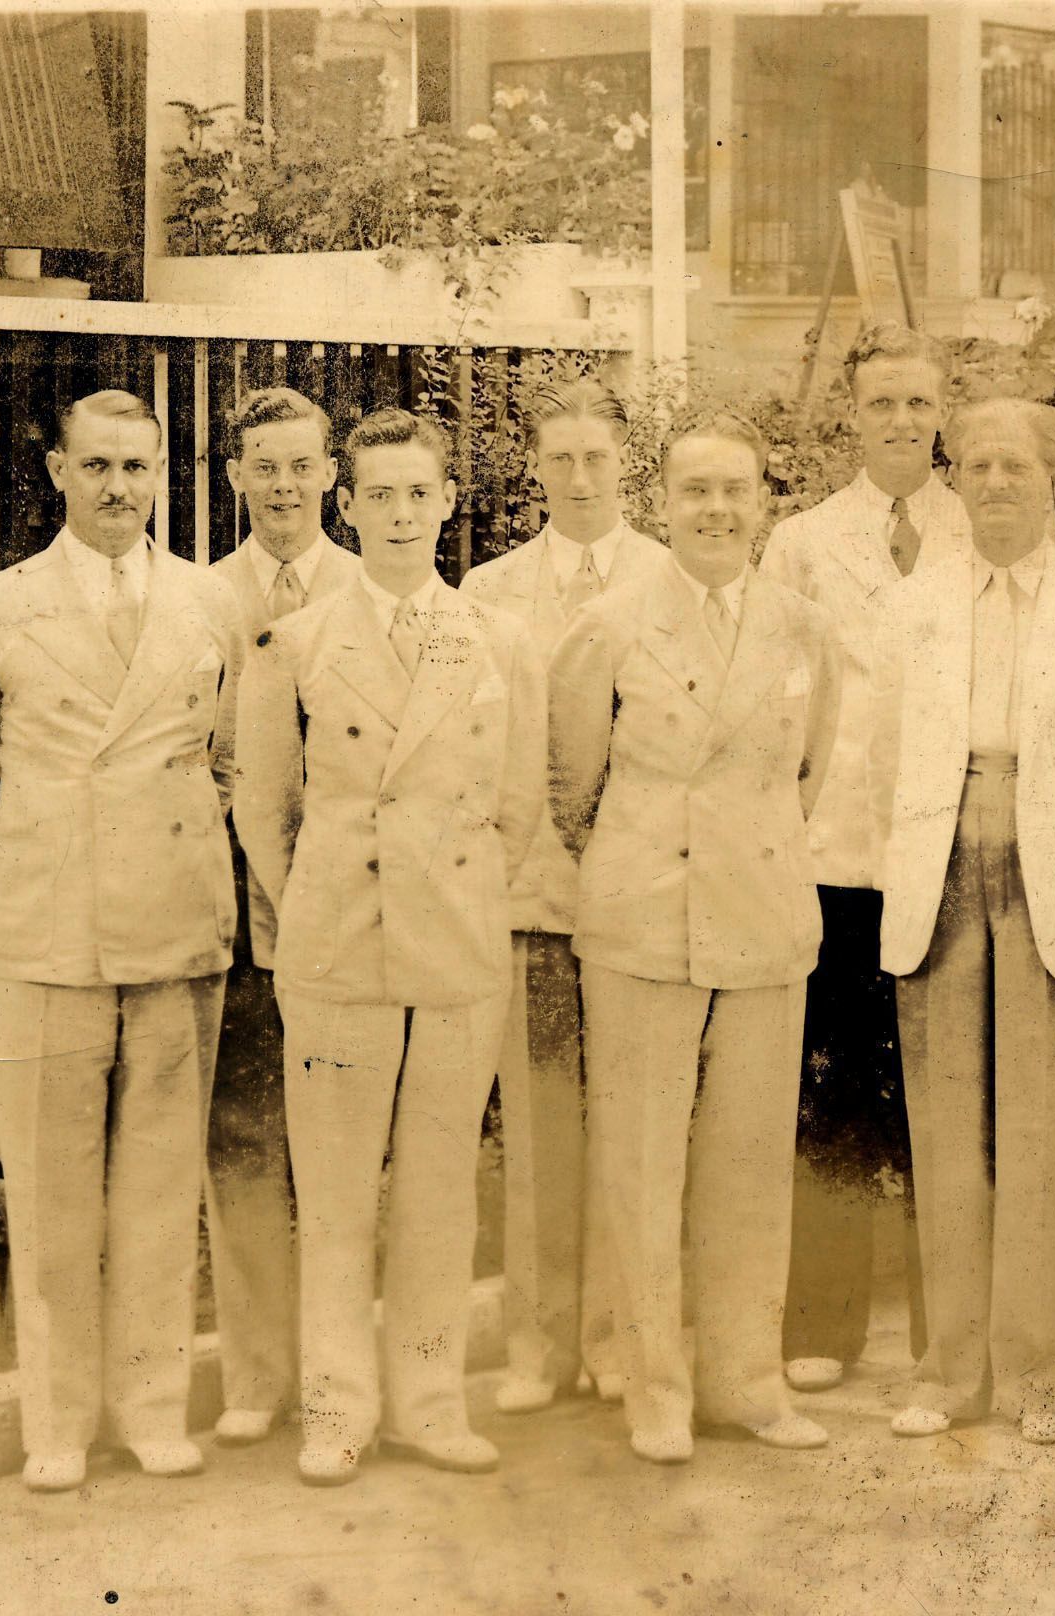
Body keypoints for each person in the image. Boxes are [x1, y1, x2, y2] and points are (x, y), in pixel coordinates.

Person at [0, 389, 242, 1491]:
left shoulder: (206, 602)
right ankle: (56, 1423)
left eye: (137, 468)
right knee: (54, 1191)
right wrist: (26, 870)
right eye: (96, 465)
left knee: (157, 1187)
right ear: (56, 470)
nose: (118, 489)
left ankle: (151, 1409)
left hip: (175, 927)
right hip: (46, 934)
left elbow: (236, 757)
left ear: (160, 473)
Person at [233, 408, 544, 1485]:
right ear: (345, 504)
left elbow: (517, 805)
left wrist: (444, 884)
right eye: (379, 495)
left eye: (420, 493)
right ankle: (338, 1409)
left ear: (449, 501)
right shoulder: (300, 639)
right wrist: (318, 900)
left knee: (439, 1187)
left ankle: (426, 1400)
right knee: (333, 1193)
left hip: (455, 944)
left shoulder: (498, 639)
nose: (401, 515)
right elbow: (265, 805)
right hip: (337, 949)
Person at [548, 411, 843, 1465]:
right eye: (694, 490)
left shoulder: (803, 627)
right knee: (639, 1161)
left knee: (749, 1161)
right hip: (642, 918)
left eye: (735, 489)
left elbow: (802, 773)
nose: (715, 509)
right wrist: (643, 856)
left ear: (763, 499)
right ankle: (655, 1388)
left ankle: (745, 1382)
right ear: (661, 500)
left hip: (761, 912)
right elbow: (573, 786)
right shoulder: (610, 624)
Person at [876, 396, 1055, 1446]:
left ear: (1052, 480)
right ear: (954, 477)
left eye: (1017, 466)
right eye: (978, 464)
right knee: (947, 1126)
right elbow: (873, 744)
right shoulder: (914, 601)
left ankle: (1041, 1373)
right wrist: (910, 846)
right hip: (935, 859)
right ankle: (949, 1370)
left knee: (1043, 1132)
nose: (996, 482)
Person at [758, 324, 967, 1394]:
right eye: (881, 401)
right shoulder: (800, 541)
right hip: (833, 852)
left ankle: (952, 1327)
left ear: (942, 414)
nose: (899, 421)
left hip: (942, 849)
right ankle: (822, 1322)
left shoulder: (977, 527)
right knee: (831, 1092)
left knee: (943, 1089)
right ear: (852, 412)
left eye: (917, 403)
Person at [461, 378, 670, 1411]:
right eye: (560, 459)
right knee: (542, 1128)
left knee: (635, 1121)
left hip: (643, 898)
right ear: (533, 468)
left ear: (624, 461)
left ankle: (620, 1340)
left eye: (597, 457)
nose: (579, 478)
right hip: (534, 895)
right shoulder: (489, 593)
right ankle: (538, 1346)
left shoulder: (672, 577)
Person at [203, 386, 364, 1445]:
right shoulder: (197, 595)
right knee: (246, 1136)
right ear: (234, 479)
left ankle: (342, 1375)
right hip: (232, 906)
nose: (284, 485)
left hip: (350, 910)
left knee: (348, 1148)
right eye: (264, 465)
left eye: (301, 465)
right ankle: (258, 1376)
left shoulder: (372, 584)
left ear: (331, 480)